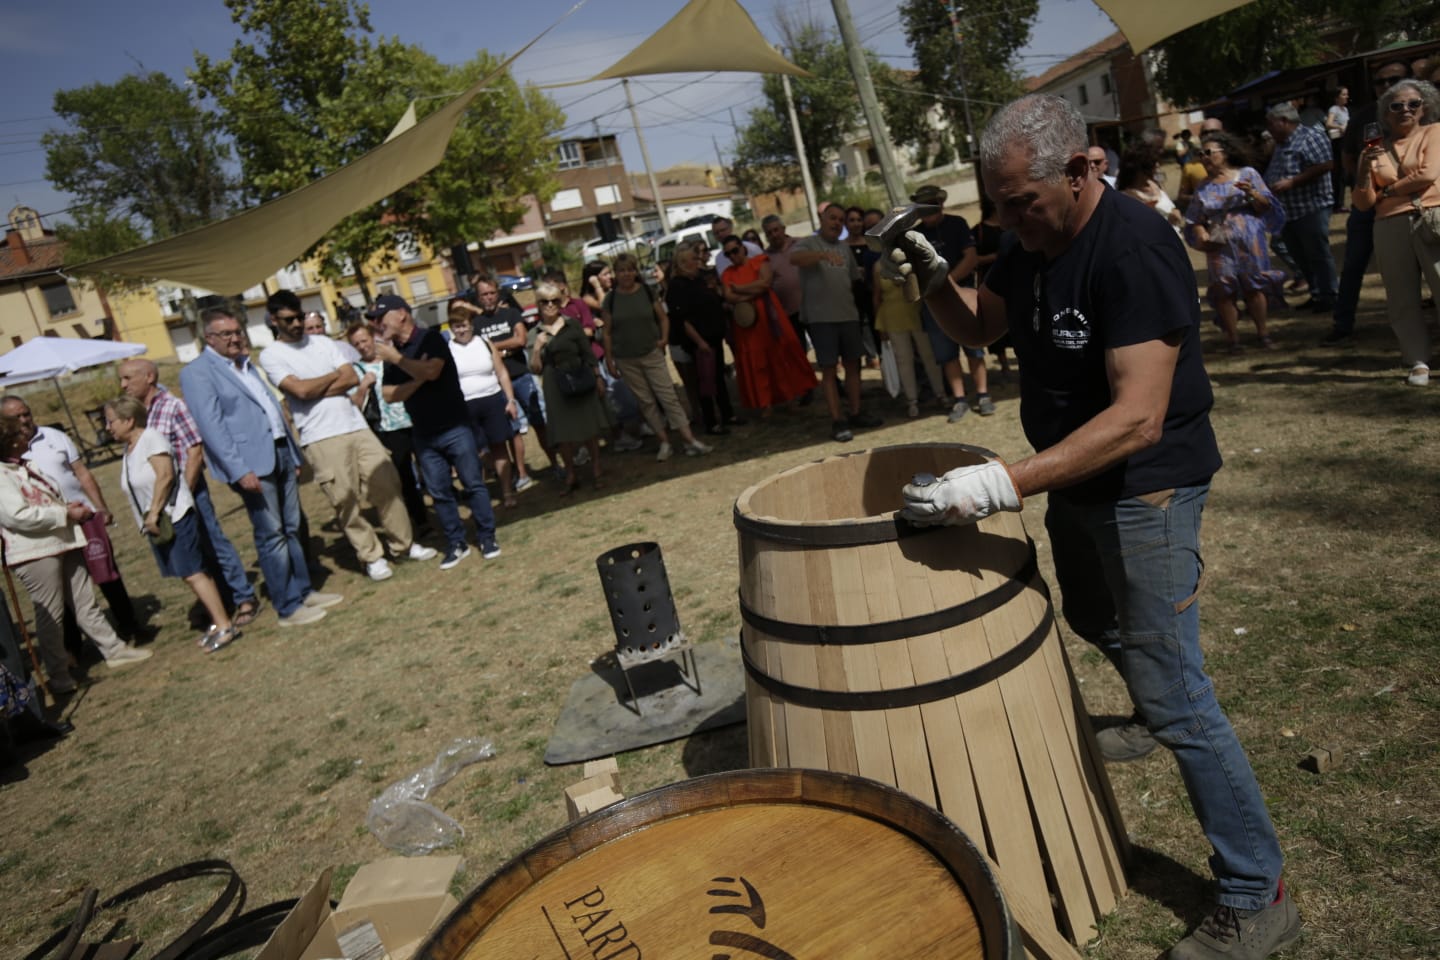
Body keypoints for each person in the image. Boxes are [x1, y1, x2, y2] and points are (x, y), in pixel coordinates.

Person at [888, 93, 1299, 960]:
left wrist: (997, 483)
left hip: (1145, 485)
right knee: (1089, 615)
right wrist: (931, 278)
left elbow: (1138, 419)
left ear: (1083, 169)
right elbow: (978, 326)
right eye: (995, 206)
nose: (1003, 223)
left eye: (1018, 203)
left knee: (1180, 694)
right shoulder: (1031, 244)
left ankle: (1259, 890)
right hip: (1076, 476)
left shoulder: (1135, 248)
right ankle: (1153, 702)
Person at [179, 307, 343, 627]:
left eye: (238, 331)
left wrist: (292, 454)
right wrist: (239, 470)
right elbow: (212, 427)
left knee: (293, 526)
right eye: (227, 334)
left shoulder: (245, 365)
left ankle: (303, 590)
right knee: (272, 534)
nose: (235, 337)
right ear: (209, 338)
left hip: (280, 451)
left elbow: (271, 408)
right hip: (251, 462)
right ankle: (288, 606)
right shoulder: (197, 372)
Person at [260, 291, 435, 582]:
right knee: (345, 498)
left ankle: (403, 545)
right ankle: (372, 557)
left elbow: (351, 377)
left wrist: (314, 385)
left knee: (388, 483)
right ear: (274, 320)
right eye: (289, 319)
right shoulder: (271, 355)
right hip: (319, 435)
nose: (297, 324)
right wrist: (330, 378)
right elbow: (299, 392)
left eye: (300, 317)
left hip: (355, 426)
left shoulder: (323, 342)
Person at [0, 414, 151, 693]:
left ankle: (114, 650)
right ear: (8, 441)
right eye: (19, 434)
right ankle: (58, 675)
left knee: (85, 601)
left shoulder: (26, 465)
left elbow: (46, 497)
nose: (26, 437)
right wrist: (65, 513)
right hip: (35, 550)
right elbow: (16, 516)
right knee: (51, 613)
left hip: (64, 540)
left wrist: (69, 508)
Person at [117, 359, 261, 628]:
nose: (123, 385)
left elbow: (194, 450)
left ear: (148, 377)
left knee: (213, 541)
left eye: (127, 378)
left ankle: (244, 597)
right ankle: (220, 600)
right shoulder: (138, 412)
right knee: (194, 551)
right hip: (165, 498)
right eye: (121, 380)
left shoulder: (172, 406)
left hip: (186, 490)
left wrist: (185, 491)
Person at [369, 294, 501, 568]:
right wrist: (417, 374)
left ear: (401, 314)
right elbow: (389, 394)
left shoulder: (429, 339)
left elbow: (434, 370)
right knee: (439, 493)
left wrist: (400, 360)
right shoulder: (391, 351)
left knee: (473, 483)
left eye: (381, 318)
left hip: (455, 426)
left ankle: (487, 537)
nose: (377, 324)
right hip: (424, 434)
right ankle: (456, 543)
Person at [103, 396, 237, 652]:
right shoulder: (129, 448)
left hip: (173, 515)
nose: (108, 428)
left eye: (111, 422)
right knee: (188, 574)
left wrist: (154, 513)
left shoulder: (150, 439)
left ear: (129, 420)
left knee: (193, 572)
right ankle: (218, 621)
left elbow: (165, 476)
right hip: (158, 519)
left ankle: (224, 625)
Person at [1351, 78, 1440, 386]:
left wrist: (1387, 192)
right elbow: (1364, 203)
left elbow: (1428, 174)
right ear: (1385, 114)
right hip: (1389, 226)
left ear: (1424, 108)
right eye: (1397, 106)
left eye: (1413, 104)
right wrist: (1364, 171)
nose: (1406, 110)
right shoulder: (1371, 152)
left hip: (1431, 218)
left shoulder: (1435, 132)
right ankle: (1417, 360)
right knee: (1402, 296)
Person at [1324, 60, 1414, 345]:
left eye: (1394, 79)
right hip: (1370, 205)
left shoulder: (1418, 114)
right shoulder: (1363, 116)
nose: (1387, 86)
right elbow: (1348, 156)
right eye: (1380, 82)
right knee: (1353, 264)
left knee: (1420, 265)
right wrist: (1364, 183)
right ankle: (1343, 323)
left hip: (1411, 203)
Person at [600, 253, 713, 462]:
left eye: (630, 269)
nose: (626, 274)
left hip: (652, 353)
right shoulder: (611, 299)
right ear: (616, 274)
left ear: (636, 272)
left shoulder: (646, 291)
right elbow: (606, 331)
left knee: (668, 396)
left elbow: (663, 318)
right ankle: (664, 442)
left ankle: (689, 440)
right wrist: (609, 359)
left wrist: (663, 340)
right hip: (626, 359)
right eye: (622, 270)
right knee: (645, 401)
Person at [1184, 132, 1288, 352]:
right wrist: (1201, 233)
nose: (1203, 157)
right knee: (1224, 290)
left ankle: (1263, 333)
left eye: (1208, 152)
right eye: (1200, 153)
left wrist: (1251, 193)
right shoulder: (1203, 187)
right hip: (1219, 244)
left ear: (1225, 153)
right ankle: (1233, 339)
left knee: (1254, 286)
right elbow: (1194, 218)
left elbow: (1265, 205)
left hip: (1249, 240)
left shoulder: (1247, 174)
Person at [790, 204, 885, 442]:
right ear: (821, 218)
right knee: (830, 370)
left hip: (848, 316)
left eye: (841, 220)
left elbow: (854, 280)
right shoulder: (809, 243)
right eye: (832, 218)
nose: (837, 223)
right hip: (822, 320)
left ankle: (855, 412)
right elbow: (794, 258)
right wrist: (821, 256)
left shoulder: (844, 249)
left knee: (854, 366)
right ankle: (838, 420)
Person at [911, 184, 994, 419]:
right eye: (923, 207)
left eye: (932, 205)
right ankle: (959, 399)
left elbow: (971, 258)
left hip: (963, 294)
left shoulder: (957, 224)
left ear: (941, 203)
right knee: (946, 354)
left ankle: (983, 394)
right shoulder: (915, 235)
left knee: (974, 348)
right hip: (932, 303)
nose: (928, 211)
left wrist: (946, 283)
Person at [345, 323, 431, 535]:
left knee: (430, 468)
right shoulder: (356, 370)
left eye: (364, 340)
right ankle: (421, 522)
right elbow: (354, 405)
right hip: (388, 428)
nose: (362, 346)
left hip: (413, 419)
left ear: (373, 338)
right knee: (404, 478)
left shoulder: (394, 359)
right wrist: (364, 386)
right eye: (356, 344)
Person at [462, 276, 544, 493]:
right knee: (509, 432)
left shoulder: (511, 313)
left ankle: (554, 463)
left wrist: (492, 346)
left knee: (539, 422)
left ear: (497, 293)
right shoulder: (476, 324)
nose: (488, 298)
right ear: (477, 298)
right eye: (483, 295)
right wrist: (504, 349)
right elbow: (477, 349)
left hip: (520, 376)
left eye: (491, 293)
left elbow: (521, 339)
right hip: (496, 385)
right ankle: (519, 474)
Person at [720, 238, 818, 417]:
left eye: (735, 250)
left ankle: (790, 398)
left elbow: (764, 284)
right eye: (728, 254)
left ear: (743, 249)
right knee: (757, 362)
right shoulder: (727, 273)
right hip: (747, 323)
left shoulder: (760, 262)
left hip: (768, 318)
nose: (733, 256)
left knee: (779, 355)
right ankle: (765, 403)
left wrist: (739, 289)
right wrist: (749, 293)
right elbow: (729, 296)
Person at [530, 282, 610, 494]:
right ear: (538, 304)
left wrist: (598, 376)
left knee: (589, 427)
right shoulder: (535, 332)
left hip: (579, 375)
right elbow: (535, 368)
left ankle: (597, 469)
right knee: (562, 433)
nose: (550, 306)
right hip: (554, 383)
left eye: (554, 301)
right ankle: (571, 474)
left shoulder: (572, 325)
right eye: (545, 302)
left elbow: (587, 352)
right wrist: (537, 348)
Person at [444, 301, 521, 505]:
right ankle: (480, 495)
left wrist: (510, 400)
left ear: (471, 325)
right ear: (451, 328)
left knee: (499, 447)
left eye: (464, 325)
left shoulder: (484, 342)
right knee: (473, 453)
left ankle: (507, 492)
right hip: (465, 405)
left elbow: (502, 372)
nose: (461, 330)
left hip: (492, 399)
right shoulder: (448, 349)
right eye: (457, 326)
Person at [1265, 101, 1337, 312]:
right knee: (1299, 255)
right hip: (1288, 210)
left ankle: (1330, 295)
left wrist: (1293, 182)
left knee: (1318, 253)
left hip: (1311, 207)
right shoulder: (1281, 143)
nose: (1269, 130)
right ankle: (1316, 293)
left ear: (1284, 121)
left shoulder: (1311, 137)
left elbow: (1326, 165)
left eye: (1271, 124)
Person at [666, 244, 737, 435]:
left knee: (719, 378)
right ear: (681, 264)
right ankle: (711, 422)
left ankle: (728, 414)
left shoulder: (699, 280)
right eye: (689, 260)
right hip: (699, 342)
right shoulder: (676, 286)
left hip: (714, 336)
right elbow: (682, 320)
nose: (694, 263)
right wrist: (699, 342)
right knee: (705, 382)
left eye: (695, 259)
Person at [871, 253, 943, 418]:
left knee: (929, 355)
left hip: (916, 313)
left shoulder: (911, 258)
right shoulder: (878, 266)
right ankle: (912, 401)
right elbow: (877, 297)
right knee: (904, 360)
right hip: (892, 317)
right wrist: (880, 327)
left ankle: (940, 394)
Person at [1325, 87, 1351, 212]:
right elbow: (1328, 124)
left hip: (1345, 141)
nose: (1346, 96)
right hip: (1337, 142)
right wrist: (1340, 127)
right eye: (1344, 94)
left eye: (1347, 94)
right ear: (1337, 97)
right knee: (1339, 172)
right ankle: (1337, 203)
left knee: (1345, 172)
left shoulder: (1345, 109)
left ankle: (1341, 202)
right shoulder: (1333, 109)